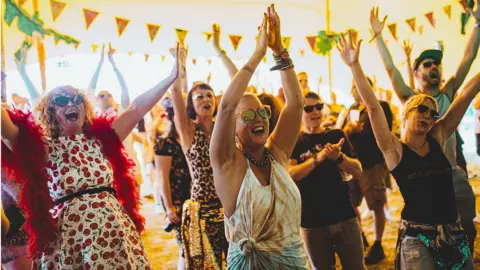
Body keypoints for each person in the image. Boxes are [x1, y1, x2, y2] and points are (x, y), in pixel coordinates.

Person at [1, 44, 182, 268]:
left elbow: (135, 109)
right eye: (61, 101)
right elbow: (7, 129)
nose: (71, 103)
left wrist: (170, 77)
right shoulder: (43, 148)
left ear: (85, 108)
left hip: (113, 233)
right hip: (71, 241)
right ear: (50, 112)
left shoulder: (100, 140)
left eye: (77, 99)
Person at [338, 31, 478, 270]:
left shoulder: (438, 137)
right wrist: (354, 66)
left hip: (452, 232)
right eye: (421, 109)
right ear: (407, 113)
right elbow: (372, 107)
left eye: (432, 113)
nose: (427, 115)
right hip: (417, 238)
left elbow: (467, 92)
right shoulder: (394, 149)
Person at [370, 4, 479, 252]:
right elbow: (390, 70)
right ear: (417, 72)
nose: (433, 68)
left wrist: (478, 23)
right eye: (427, 64)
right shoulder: (410, 100)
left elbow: (468, 57)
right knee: (431, 238)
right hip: (426, 180)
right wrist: (378, 38)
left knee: (467, 231)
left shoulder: (449, 92)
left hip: (453, 174)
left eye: (436, 64)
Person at [210, 5, 309, 269]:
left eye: (262, 112)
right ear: (231, 127)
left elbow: (295, 104)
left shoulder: (276, 153)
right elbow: (227, 106)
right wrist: (258, 53)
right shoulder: (226, 163)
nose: (259, 119)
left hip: (293, 261)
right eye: (248, 116)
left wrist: (279, 51)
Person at [288, 91, 364, 269]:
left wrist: (339, 158)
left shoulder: (336, 135)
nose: (315, 112)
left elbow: (358, 170)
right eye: (309, 108)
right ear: (299, 112)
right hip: (312, 223)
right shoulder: (295, 141)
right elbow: (290, 174)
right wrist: (318, 158)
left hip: (344, 216)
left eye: (319, 107)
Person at [170, 49, 228, 268]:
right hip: (202, 210)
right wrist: (180, 66)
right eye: (199, 97)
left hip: (229, 207)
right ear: (192, 104)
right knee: (205, 264)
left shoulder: (223, 129)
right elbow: (176, 93)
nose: (206, 99)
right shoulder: (189, 130)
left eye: (209, 96)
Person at [343, 77, 393, 265]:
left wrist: (359, 130)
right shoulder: (351, 110)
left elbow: (382, 131)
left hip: (372, 165)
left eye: (358, 86)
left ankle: (378, 244)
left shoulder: (381, 106)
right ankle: (361, 235)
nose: (355, 90)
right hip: (353, 165)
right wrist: (349, 129)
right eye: (353, 87)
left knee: (376, 204)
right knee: (350, 202)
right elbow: (344, 131)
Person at [154, 98, 191, 270]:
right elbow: (162, 176)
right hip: (177, 201)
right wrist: (168, 206)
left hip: (196, 199)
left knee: (194, 247)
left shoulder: (193, 139)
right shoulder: (165, 143)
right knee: (186, 247)